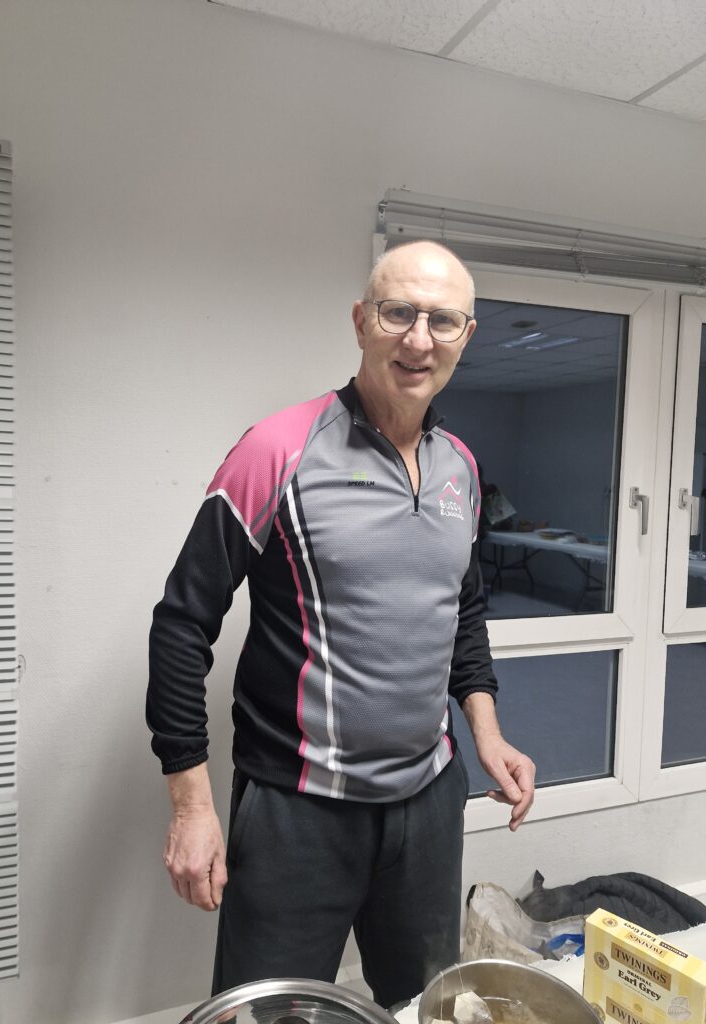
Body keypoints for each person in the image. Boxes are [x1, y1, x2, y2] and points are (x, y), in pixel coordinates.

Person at [146, 240, 535, 1008]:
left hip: (429, 803)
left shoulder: (460, 467)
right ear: (361, 322)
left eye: (442, 320)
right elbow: (182, 624)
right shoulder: (277, 450)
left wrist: (485, 732)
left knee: (423, 1003)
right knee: (273, 1011)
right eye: (398, 314)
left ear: (466, 336)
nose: (418, 339)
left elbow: (463, 612)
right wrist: (191, 807)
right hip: (298, 809)